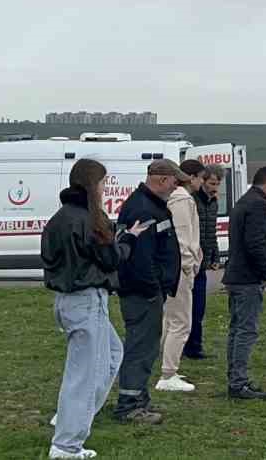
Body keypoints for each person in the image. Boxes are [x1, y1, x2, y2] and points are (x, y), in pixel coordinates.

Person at [43, 158, 150, 459]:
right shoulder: (90, 219)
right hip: (87, 300)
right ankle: (66, 444)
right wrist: (128, 240)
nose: (105, 187)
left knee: (113, 355)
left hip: (67, 300)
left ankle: (72, 417)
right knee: (84, 375)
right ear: (93, 185)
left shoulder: (59, 218)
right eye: (103, 182)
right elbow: (111, 258)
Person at [113, 159, 182, 423]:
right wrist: (153, 289)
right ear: (162, 180)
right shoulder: (143, 208)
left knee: (146, 347)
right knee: (140, 347)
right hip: (142, 293)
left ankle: (138, 399)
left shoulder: (150, 205)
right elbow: (140, 258)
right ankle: (129, 405)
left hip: (146, 291)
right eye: (174, 182)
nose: (176, 187)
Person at [225, 165, 266, 401]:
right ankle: (238, 383)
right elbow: (256, 244)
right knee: (246, 330)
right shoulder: (257, 205)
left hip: (236, 275)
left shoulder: (244, 201)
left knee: (237, 329)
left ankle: (235, 379)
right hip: (247, 278)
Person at [155, 161, 202, 394]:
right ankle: (168, 373)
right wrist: (188, 266)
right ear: (191, 178)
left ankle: (166, 366)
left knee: (170, 319)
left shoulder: (177, 199)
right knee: (181, 323)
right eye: (201, 177)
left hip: (174, 268)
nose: (202, 182)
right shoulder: (182, 200)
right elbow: (183, 237)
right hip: (180, 269)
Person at [183, 163, 223, 362]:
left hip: (203, 261)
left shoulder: (213, 203)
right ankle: (183, 345)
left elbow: (211, 232)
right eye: (211, 183)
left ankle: (194, 346)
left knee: (199, 307)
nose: (215, 188)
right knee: (185, 308)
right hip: (190, 260)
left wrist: (215, 256)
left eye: (217, 184)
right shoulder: (191, 200)